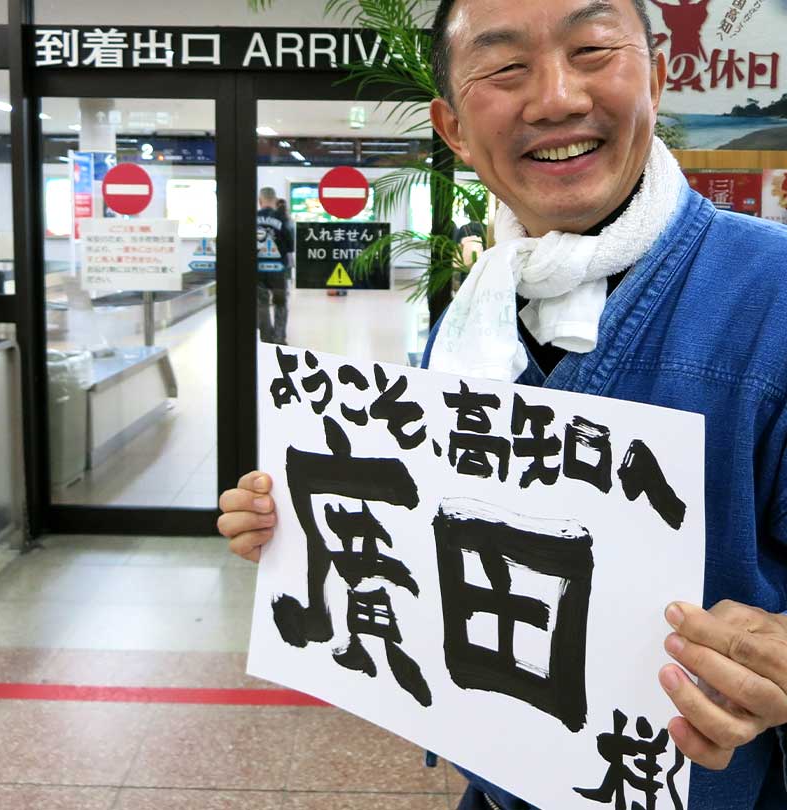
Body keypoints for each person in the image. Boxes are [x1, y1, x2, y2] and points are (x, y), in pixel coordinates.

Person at [218, 2, 787, 809]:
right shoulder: (476, 313)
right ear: (452, 128)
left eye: (592, 50)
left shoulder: (774, 293)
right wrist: (301, 527)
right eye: (504, 66)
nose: (555, 97)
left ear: (655, 77)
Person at [256, 186, 294, 344]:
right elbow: (291, 245)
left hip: (257, 270)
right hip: (278, 269)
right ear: (275, 200)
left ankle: (266, 337)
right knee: (280, 303)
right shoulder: (283, 219)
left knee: (261, 303)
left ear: (260, 200)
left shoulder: (252, 217)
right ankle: (279, 337)